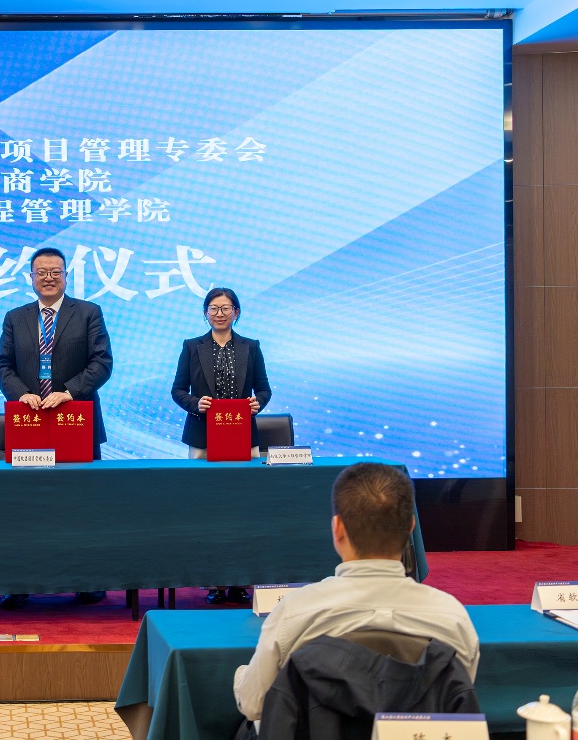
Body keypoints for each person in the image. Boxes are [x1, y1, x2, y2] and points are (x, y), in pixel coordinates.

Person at [233, 462, 479, 725]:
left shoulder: (295, 612)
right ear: (410, 527)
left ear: (337, 528)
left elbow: (254, 705)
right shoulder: (451, 618)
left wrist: (240, 676)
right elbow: (456, 699)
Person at [0, 246, 113, 610]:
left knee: (82, 506)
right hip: (30, 422)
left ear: (65, 276)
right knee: (27, 507)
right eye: (41, 272)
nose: (48, 278)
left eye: (55, 272)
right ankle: (21, 582)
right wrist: (22, 394)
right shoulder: (15, 317)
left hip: (75, 420)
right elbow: (3, 365)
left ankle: (87, 580)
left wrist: (69, 392)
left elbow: (102, 362)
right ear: (31, 277)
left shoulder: (89, 312)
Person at [171, 286, 272, 604]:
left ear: (236, 312)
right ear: (205, 313)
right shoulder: (192, 346)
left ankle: (242, 581)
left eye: (226, 308)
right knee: (207, 508)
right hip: (202, 436)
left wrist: (257, 404)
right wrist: (195, 403)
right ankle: (213, 581)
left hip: (242, 436)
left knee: (244, 508)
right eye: (213, 308)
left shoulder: (251, 347)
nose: (219, 313)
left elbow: (264, 389)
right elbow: (177, 390)